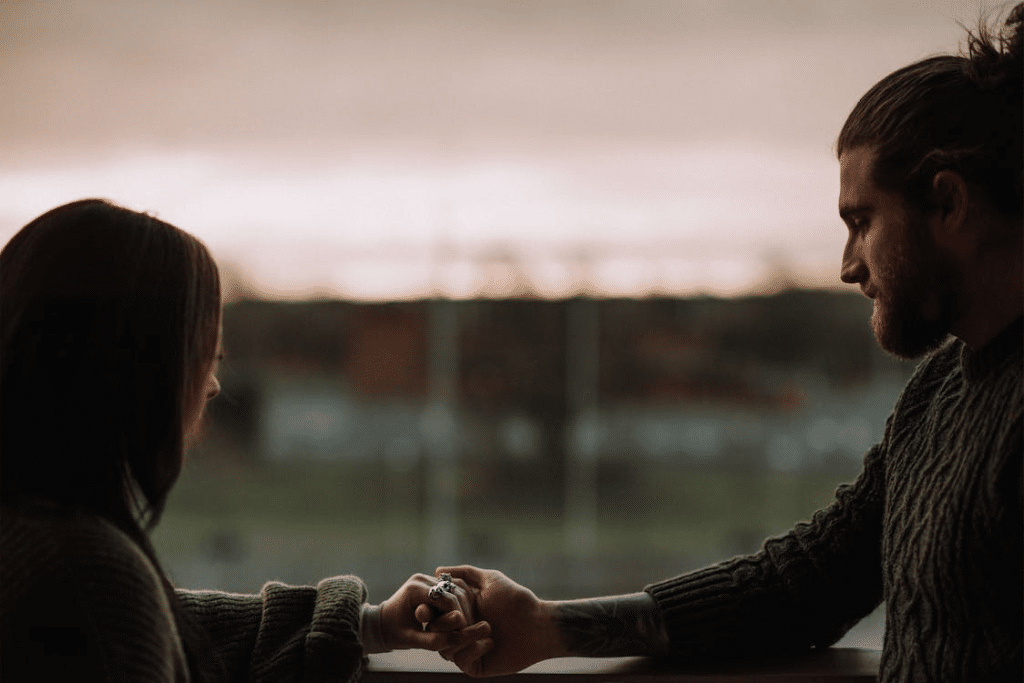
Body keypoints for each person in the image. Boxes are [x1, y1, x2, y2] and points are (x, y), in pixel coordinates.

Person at [436, 5, 1023, 682]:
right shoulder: (938, 393)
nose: (848, 264)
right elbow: (807, 581)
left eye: (862, 221)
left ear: (949, 205)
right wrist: (547, 625)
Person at [0, 199, 491, 682]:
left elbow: (180, 626)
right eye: (203, 356)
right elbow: (126, 617)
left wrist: (372, 625)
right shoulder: (85, 576)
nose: (212, 385)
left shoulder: (34, 538)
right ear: (138, 368)